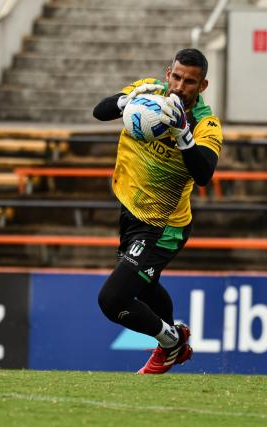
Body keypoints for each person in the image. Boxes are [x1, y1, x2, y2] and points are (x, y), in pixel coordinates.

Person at [92, 48, 223, 374]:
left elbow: (205, 174)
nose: (180, 86)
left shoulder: (205, 124)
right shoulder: (149, 92)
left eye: (189, 81)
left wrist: (182, 135)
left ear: (202, 86)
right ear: (168, 73)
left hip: (163, 227)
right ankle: (174, 339)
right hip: (131, 210)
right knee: (146, 285)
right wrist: (125, 102)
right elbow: (99, 111)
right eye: (176, 77)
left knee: (113, 299)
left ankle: (172, 341)